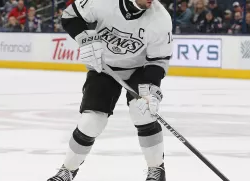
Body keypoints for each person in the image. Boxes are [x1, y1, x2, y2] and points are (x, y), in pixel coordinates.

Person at [46, 0, 173, 180]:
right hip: (104, 67)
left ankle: (157, 170)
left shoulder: (160, 18)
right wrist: (86, 39)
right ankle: (67, 170)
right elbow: (69, 16)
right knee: (91, 121)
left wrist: (152, 89)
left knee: (143, 112)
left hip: (139, 70)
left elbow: (158, 60)